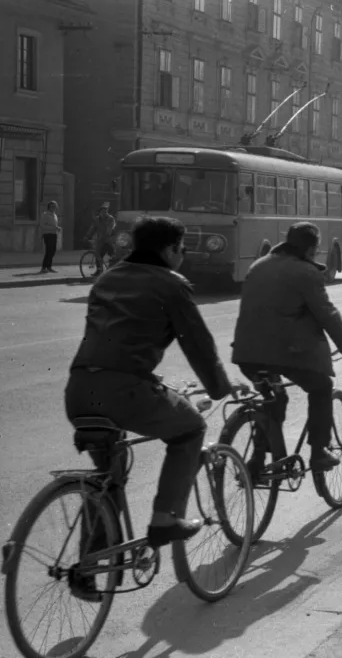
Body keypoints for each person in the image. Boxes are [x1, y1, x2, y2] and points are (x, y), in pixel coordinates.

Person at [65, 216, 239, 598]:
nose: (184, 255)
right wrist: (220, 388)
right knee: (191, 429)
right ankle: (165, 519)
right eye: (182, 248)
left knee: (108, 478)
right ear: (169, 249)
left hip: (79, 389)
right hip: (124, 391)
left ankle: (87, 568)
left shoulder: (107, 278)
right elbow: (199, 345)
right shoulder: (171, 284)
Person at [232, 222, 342, 476]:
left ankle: (258, 460)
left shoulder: (258, 265)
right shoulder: (306, 272)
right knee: (321, 387)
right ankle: (319, 451)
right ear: (312, 248)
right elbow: (327, 314)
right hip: (286, 353)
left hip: (246, 353)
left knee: (274, 398)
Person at [84, 202, 117, 275]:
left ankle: (114, 270)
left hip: (110, 241)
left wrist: (102, 238)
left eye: (105, 211)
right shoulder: (98, 220)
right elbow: (92, 229)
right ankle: (99, 271)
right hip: (101, 241)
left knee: (114, 256)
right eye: (102, 211)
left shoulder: (110, 219)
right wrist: (87, 236)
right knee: (98, 255)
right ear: (99, 213)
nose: (104, 213)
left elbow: (108, 231)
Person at [39, 200, 61, 273]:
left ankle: (49, 267)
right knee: (48, 251)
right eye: (53, 206)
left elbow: (54, 225)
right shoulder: (45, 214)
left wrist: (57, 228)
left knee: (53, 251)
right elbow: (42, 225)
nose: (54, 208)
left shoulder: (55, 215)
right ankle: (43, 267)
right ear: (49, 207)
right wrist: (53, 227)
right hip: (47, 235)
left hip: (54, 234)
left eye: (55, 206)